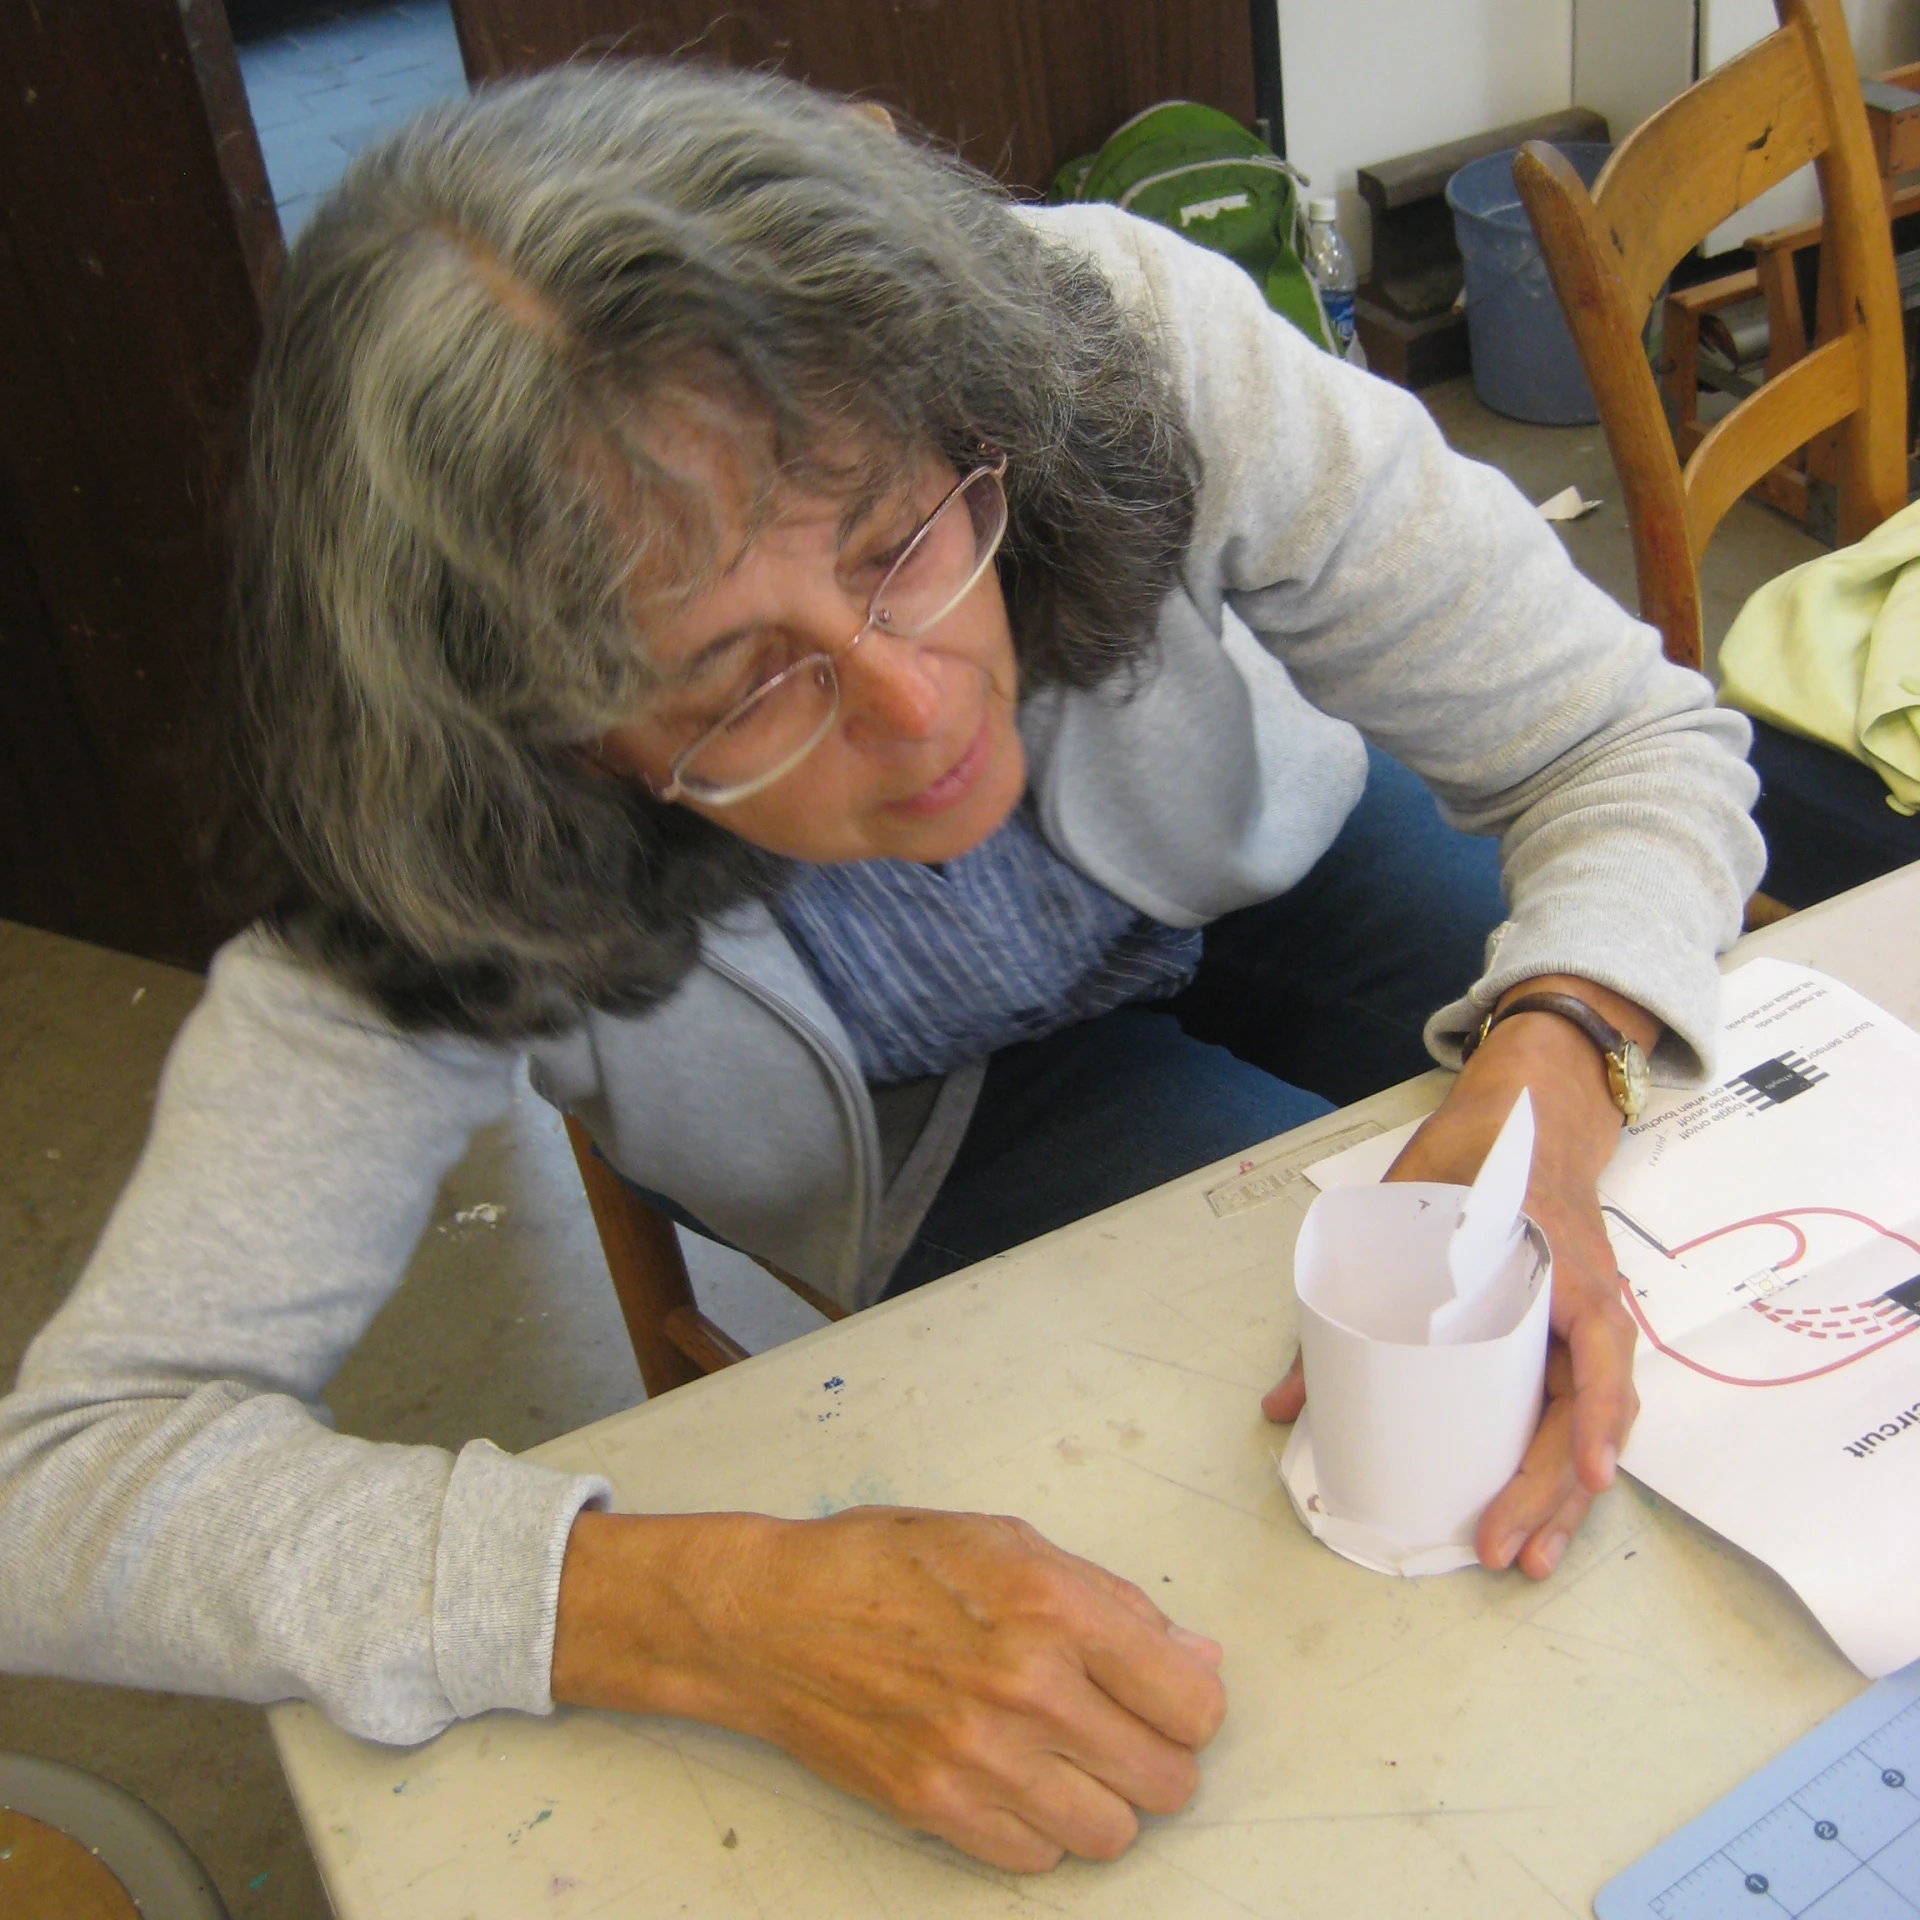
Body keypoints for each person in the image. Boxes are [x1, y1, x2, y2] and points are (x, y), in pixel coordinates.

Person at [0, 64, 1763, 1874]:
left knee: (1669, 1282)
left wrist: (1566, 1039)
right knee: (1345, 1535)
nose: (925, 707)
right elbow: (59, 1490)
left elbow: (1627, 744)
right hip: (947, 1111)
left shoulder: (1098, 345)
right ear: (543, 731)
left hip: (1268, 864)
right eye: (737, 673)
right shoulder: (429, 845)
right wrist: (686, 1606)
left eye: (899, 541)